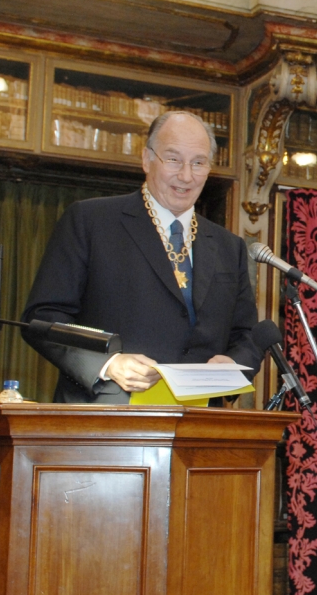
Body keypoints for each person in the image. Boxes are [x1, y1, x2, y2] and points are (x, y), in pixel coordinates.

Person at [23, 111, 260, 403]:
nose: (186, 175)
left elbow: (247, 334)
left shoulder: (229, 246)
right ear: (147, 159)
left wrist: (233, 365)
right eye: (173, 159)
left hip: (199, 423)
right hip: (108, 416)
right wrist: (108, 363)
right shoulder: (91, 221)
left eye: (198, 163)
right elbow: (44, 319)